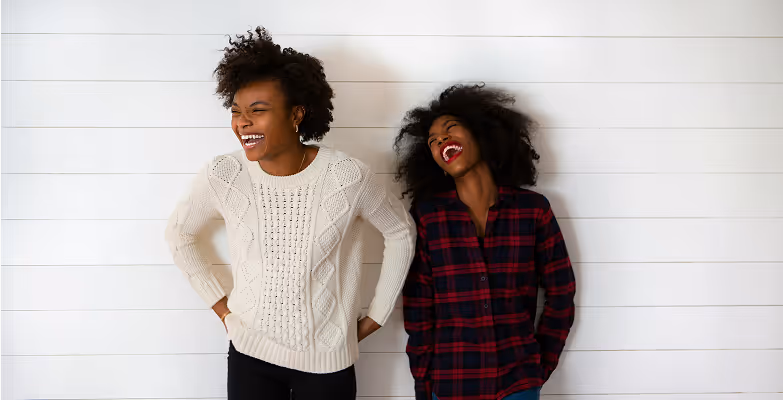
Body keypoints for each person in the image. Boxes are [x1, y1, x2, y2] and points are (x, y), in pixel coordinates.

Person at [166, 27, 416, 400]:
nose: (242, 123)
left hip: (328, 362)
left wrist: (378, 315)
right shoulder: (224, 174)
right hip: (250, 353)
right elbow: (179, 234)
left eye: (257, 111)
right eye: (236, 112)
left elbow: (400, 232)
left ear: (297, 113)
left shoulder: (348, 177)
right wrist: (223, 310)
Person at [395, 84, 576, 400]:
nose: (441, 142)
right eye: (433, 141)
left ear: (482, 133)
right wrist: (425, 385)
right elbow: (419, 309)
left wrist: (538, 366)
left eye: (450, 130)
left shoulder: (533, 211)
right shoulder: (428, 217)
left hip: (518, 382)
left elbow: (561, 293)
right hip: (451, 384)